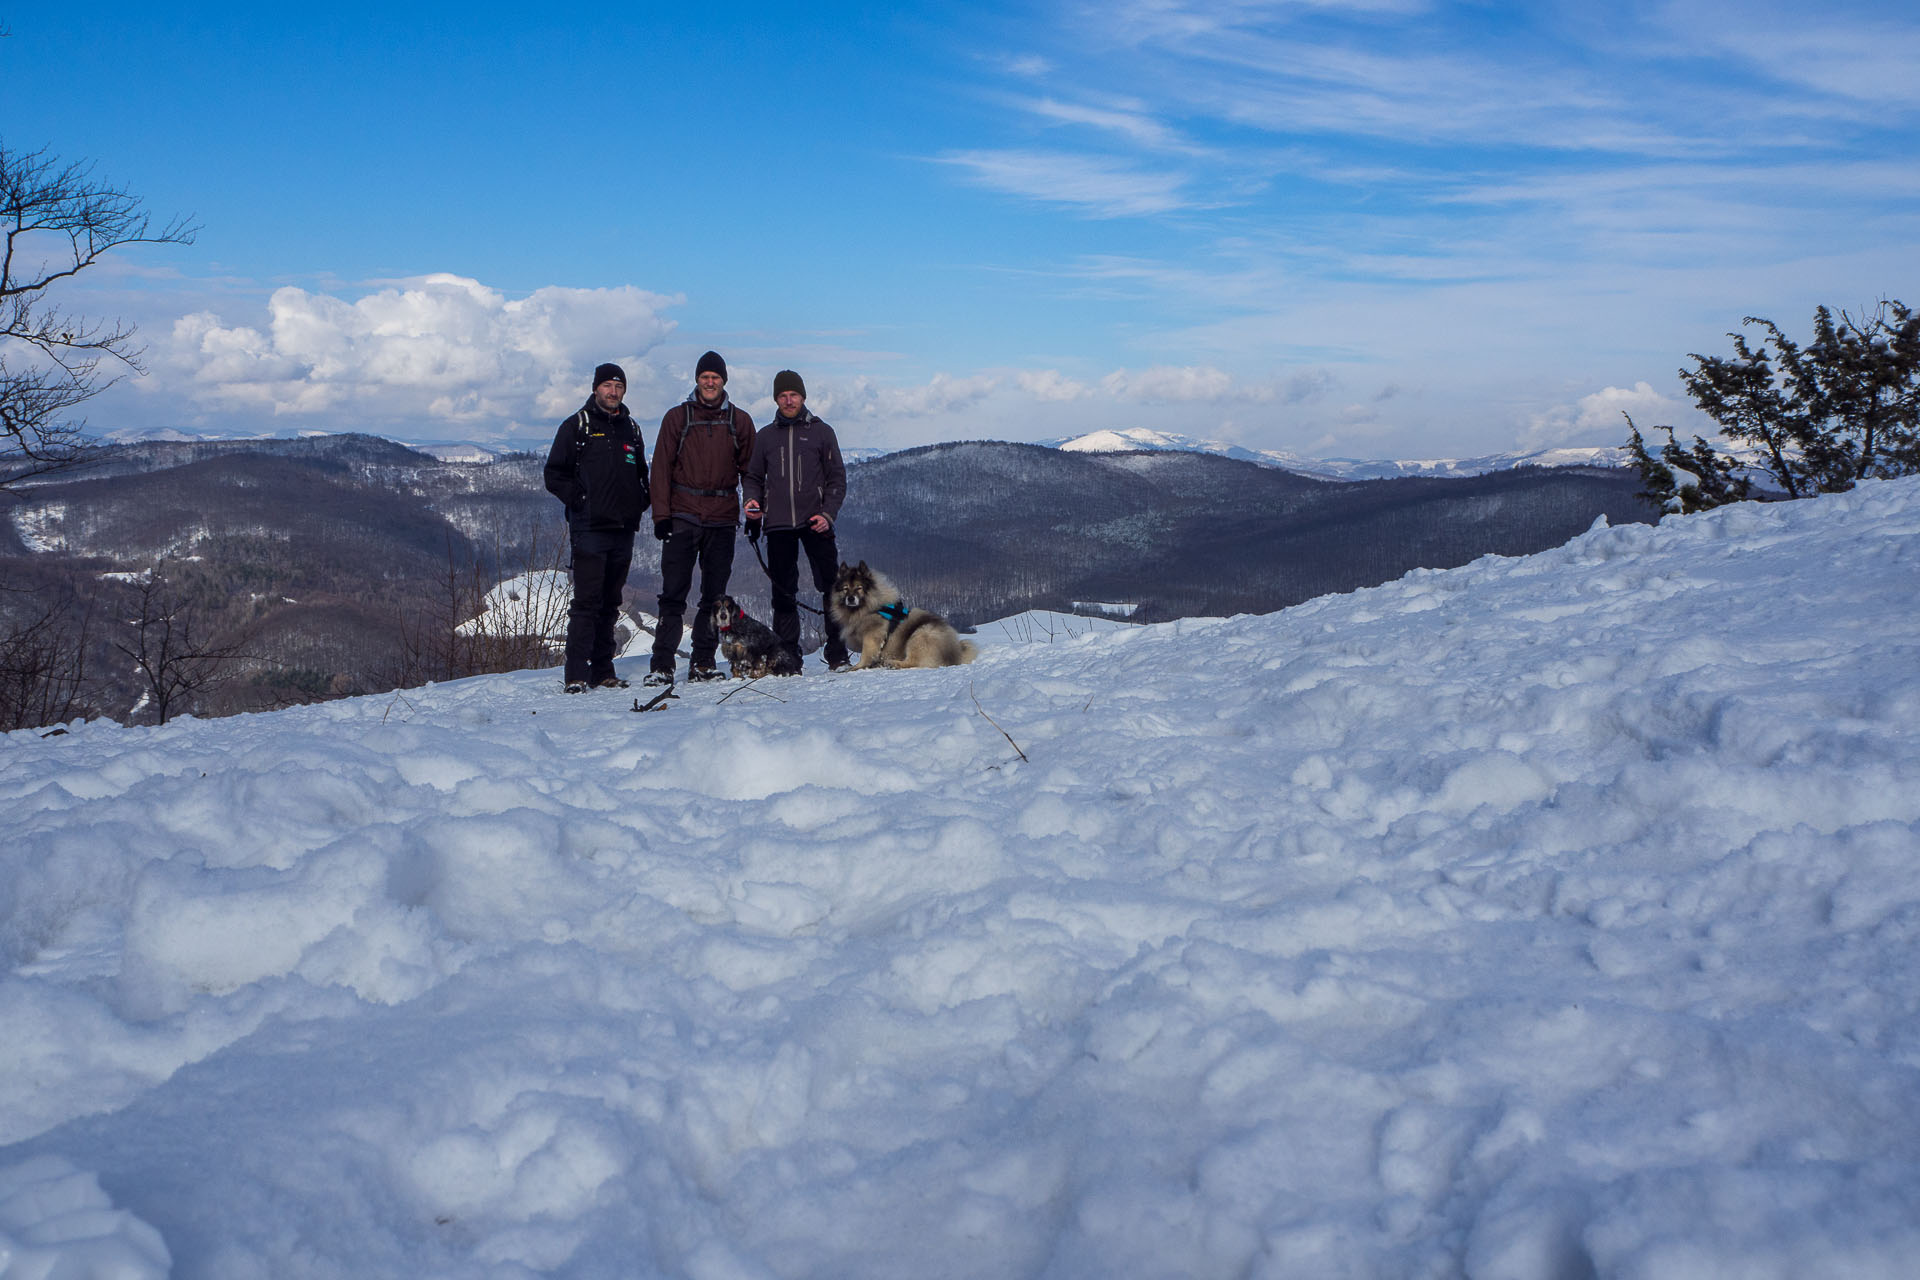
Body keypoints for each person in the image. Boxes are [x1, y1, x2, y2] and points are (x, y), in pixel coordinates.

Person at [646, 350, 754, 685]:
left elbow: (751, 472)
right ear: (697, 380)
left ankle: (703, 661)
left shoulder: (740, 421)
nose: (710, 382)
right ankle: (662, 664)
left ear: (724, 381)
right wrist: (661, 516)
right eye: (705, 377)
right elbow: (660, 468)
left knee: (714, 597)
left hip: (722, 518)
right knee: (673, 594)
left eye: (715, 377)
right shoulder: (678, 418)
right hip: (683, 516)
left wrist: (752, 510)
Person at [543, 363, 648, 693]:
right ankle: (575, 673)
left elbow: (642, 475)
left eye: (618, 386)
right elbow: (554, 474)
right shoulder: (577, 426)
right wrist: (580, 499)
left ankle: (603, 669)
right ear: (595, 389)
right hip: (589, 529)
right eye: (607, 385)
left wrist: (639, 501)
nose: (613, 391)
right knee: (586, 603)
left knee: (609, 603)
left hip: (622, 530)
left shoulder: (631, 428)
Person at [743, 369, 850, 671]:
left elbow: (837, 479)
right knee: (783, 591)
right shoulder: (765, 436)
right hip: (777, 523)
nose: (789, 400)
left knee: (830, 586)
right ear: (776, 399)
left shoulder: (821, 432)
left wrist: (827, 514)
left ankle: (838, 653)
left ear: (803, 397)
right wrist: (751, 500)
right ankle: (788, 654)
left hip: (816, 521)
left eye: (794, 395)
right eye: (783, 395)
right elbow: (752, 476)